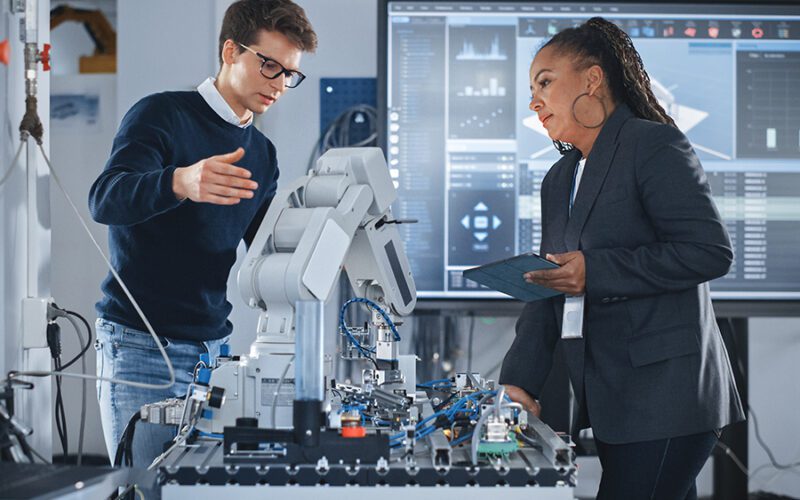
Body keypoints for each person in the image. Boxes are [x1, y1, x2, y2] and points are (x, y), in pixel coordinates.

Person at [499, 17, 744, 499]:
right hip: (613, 400)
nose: (534, 101)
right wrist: (518, 381)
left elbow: (708, 252)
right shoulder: (560, 177)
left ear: (592, 79)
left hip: (668, 399)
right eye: (532, 89)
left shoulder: (653, 146)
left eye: (545, 83)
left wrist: (595, 271)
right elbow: (551, 284)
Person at [87, 0, 317, 467]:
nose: (278, 84)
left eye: (289, 73)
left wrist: (322, 237)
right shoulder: (161, 114)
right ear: (231, 51)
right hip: (142, 345)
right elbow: (105, 199)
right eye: (269, 65)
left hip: (214, 352)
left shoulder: (263, 153)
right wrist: (180, 181)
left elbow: (264, 250)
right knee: (141, 488)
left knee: (198, 488)